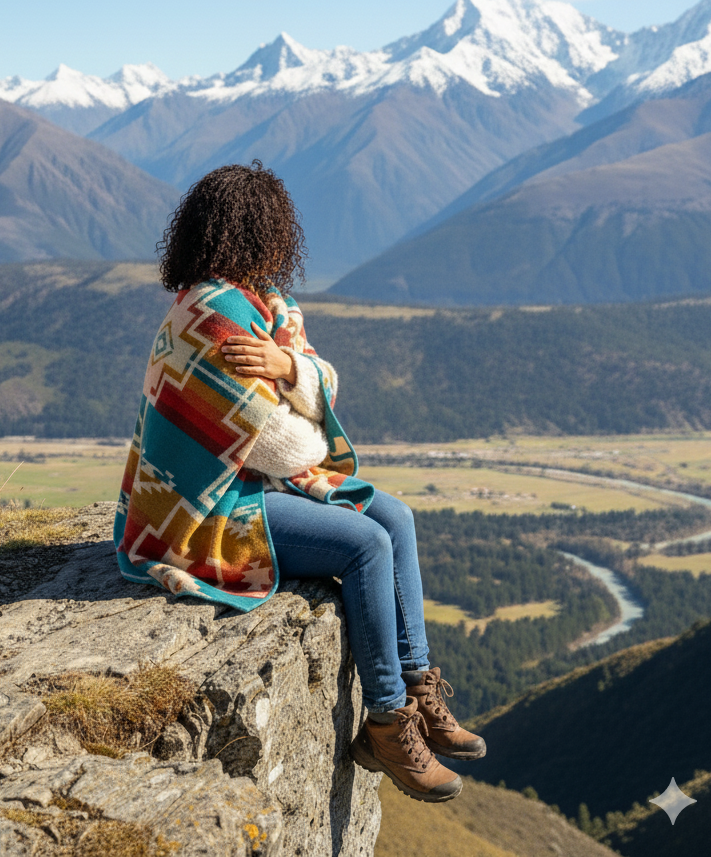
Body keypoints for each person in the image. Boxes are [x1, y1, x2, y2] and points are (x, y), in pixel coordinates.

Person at [114, 160, 486, 803]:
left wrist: (290, 367)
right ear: (267, 236)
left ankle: (420, 685)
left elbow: (325, 381)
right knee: (365, 545)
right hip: (204, 511)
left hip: (249, 483)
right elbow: (290, 447)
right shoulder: (218, 320)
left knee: (397, 517)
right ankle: (387, 720)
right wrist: (302, 398)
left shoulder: (266, 310)